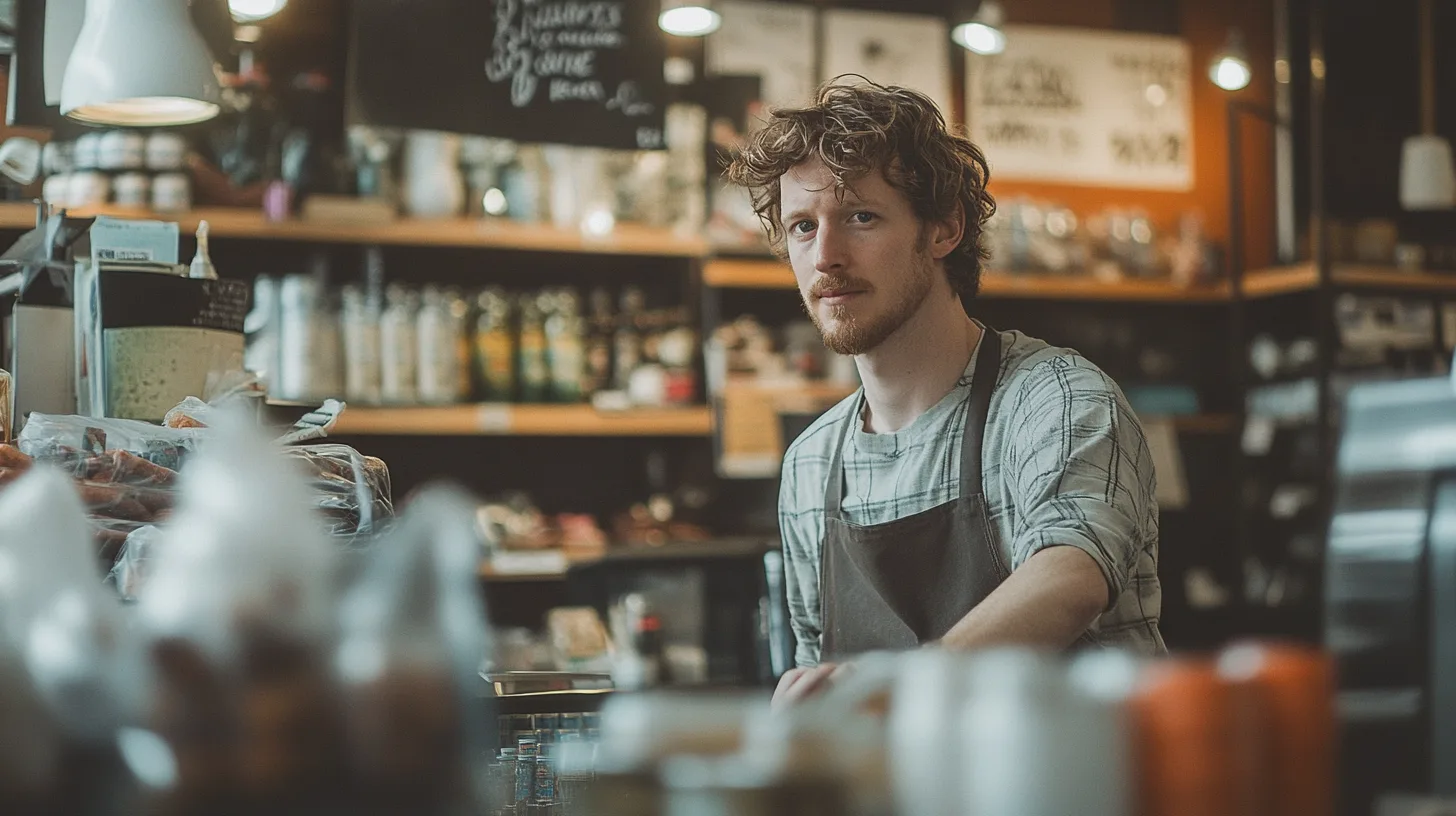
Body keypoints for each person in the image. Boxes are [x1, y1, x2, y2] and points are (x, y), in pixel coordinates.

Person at [724, 79, 1167, 708]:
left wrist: (897, 687)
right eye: (801, 227)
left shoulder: (1057, 400)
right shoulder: (811, 463)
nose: (826, 255)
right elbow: (819, 678)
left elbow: (1070, 577)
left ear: (944, 229)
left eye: (861, 217)